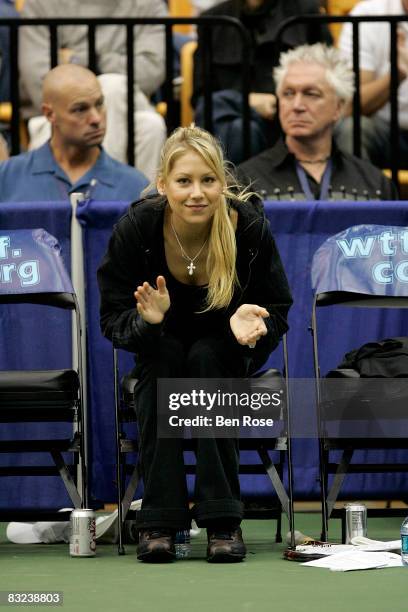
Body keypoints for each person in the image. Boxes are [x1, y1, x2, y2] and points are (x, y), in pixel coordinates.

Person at [97, 125, 292, 563]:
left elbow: (278, 308)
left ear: (223, 182)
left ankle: (223, 520)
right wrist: (147, 321)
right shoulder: (136, 229)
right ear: (163, 184)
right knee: (162, 362)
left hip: (226, 345)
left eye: (208, 180)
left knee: (207, 358)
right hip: (160, 345)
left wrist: (253, 324)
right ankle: (160, 520)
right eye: (184, 181)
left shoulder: (249, 229)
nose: (197, 193)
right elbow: (112, 319)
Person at [18, 0, 168, 181]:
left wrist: (76, 58)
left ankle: (99, 192)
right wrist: (115, 61)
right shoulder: (40, 4)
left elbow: (149, 72)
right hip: (60, 116)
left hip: (129, 103)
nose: (96, 117)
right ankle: (131, 203)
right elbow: (40, 83)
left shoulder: (149, 4)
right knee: (151, 126)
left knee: (113, 86)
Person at [237, 43, 398, 201]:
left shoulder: (375, 185)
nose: (297, 105)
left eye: (311, 94)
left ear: (338, 107)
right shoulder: (245, 182)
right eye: (288, 93)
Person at [193, 0, 332, 165]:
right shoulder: (212, 19)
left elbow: (329, 82)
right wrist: (246, 101)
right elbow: (200, 95)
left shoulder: (307, 13)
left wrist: (283, 100)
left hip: (289, 118)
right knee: (237, 127)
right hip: (229, 124)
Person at [0, 64, 148, 202]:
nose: (96, 118)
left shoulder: (136, 187)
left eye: (99, 104)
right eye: (80, 109)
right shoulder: (7, 178)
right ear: (50, 114)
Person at [337, 0, 408, 168]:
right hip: (387, 133)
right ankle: (357, 194)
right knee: (352, 129)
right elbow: (348, 107)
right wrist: (396, 75)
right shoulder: (368, 14)